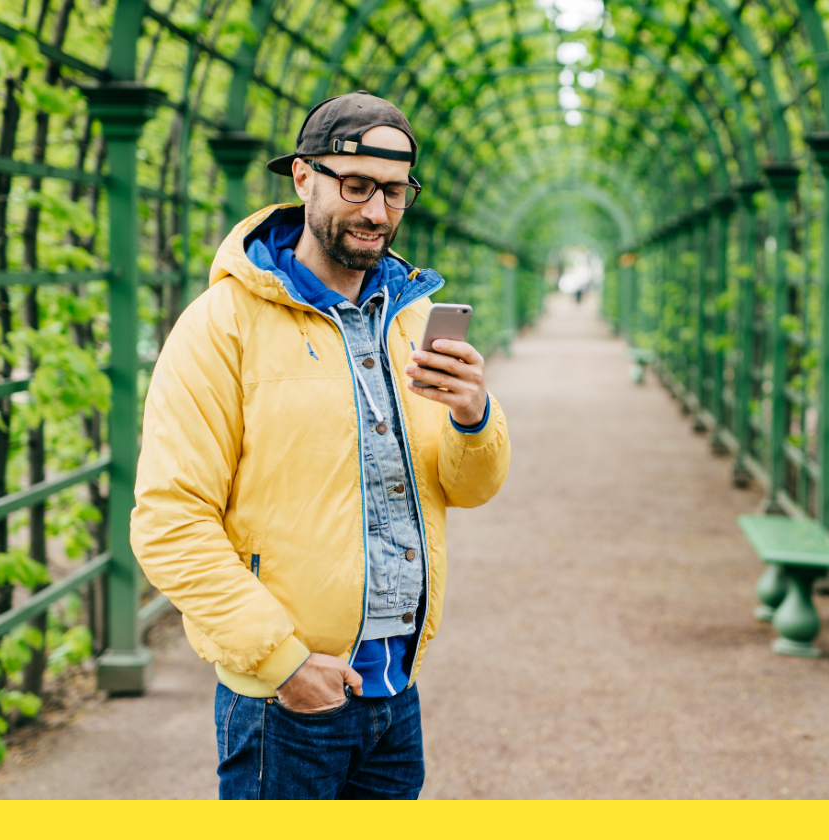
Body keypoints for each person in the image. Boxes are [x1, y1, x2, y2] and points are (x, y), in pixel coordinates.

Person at [130, 91, 511, 800]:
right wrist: (283, 663)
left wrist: (472, 414)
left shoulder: (412, 318)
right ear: (304, 178)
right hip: (287, 698)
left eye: (394, 192)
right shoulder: (222, 326)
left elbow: (471, 487)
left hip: (397, 688)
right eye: (357, 186)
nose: (376, 212)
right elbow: (170, 521)